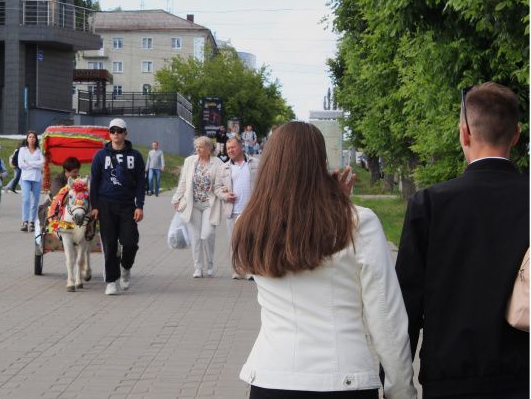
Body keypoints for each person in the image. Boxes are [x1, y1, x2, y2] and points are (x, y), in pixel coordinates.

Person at [232, 121, 416, 399]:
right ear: (320, 161)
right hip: (343, 379)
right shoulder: (358, 223)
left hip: (271, 377)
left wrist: (335, 204)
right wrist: (402, 391)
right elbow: (386, 317)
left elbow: (299, 234)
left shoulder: (250, 224)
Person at [396, 82, 529, 399]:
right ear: (516, 135)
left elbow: (406, 306)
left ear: (464, 134)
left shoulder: (430, 204)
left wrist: (396, 384)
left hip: (451, 379)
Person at [89, 118, 146, 295]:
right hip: (105, 204)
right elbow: (94, 181)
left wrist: (139, 205)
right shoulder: (100, 155)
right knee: (109, 244)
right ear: (109, 133)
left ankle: (126, 267)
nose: (116, 134)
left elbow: (140, 183)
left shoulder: (135, 156)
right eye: (113, 131)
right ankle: (111, 281)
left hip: (127, 205)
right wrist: (95, 206)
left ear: (125, 133)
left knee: (130, 242)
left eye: (119, 131)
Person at [171, 136, 230, 278]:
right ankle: (198, 267)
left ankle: (210, 264)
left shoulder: (217, 163)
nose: (198, 149)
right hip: (193, 204)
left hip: (210, 204)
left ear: (209, 148)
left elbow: (221, 183)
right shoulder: (190, 161)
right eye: (197, 147)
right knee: (195, 237)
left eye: (201, 147)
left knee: (208, 234)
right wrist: (176, 199)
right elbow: (183, 182)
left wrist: (225, 191)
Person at [221, 136, 259, 280]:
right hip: (232, 210)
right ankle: (238, 270)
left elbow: (263, 183)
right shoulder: (224, 167)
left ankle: (250, 270)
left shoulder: (255, 164)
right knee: (234, 241)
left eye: (233, 147)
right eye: (228, 148)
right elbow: (217, 188)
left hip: (251, 210)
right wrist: (225, 195)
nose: (230, 150)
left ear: (241, 147)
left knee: (251, 240)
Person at [18, 131, 44, 232]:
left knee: (35, 201)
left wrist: (28, 163)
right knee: (26, 199)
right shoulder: (22, 150)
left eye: (33, 137)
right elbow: (21, 164)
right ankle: (25, 221)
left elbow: (42, 163)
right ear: (27, 138)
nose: (32, 139)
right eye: (30, 137)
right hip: (25, 178)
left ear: (36, 139)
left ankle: (32, 222)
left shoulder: (38, 150)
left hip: (36, 178)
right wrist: (35, 164)